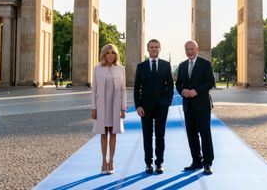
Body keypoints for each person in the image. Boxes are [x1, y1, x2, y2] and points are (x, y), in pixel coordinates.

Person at [176, 40, 215, 175]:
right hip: (188, 106)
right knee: (191, 135)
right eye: (187, 49)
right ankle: (196, 161)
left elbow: (211, 82)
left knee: (205, 135)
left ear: (197, 49)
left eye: (192, 49)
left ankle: (208, 163)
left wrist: (196, 91)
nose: (189, 52)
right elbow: (178, 83)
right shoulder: (182, 66)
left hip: (203, 106)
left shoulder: (205, 64)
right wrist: (182, 91)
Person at [134, 39, 174, 174]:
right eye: (152, 47)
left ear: (160, 49)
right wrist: (138, 105)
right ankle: (148, 163)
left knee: (160, 135)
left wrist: (168, 101)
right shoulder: (141, 66)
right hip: (145, 107)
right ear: (148, 49)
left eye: (156, 47)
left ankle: (159, 163)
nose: (154, 49)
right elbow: (136, 88)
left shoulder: (166, 65)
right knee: (147, 136)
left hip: (162, 106)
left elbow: (170, 85)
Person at [91, 44, 126, 175]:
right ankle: (103, 161)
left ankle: (111, 160)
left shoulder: (121, 69)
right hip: (101, 105)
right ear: (104, 55)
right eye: (108, 53)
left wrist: (123, 108)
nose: (110, 55)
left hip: (115, 105)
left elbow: (123, 89)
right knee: (103, 133)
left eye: (113, 53)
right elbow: (93, 89)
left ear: (116, 55)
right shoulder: (97, 68)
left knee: (113, 132)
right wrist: (93, 107)